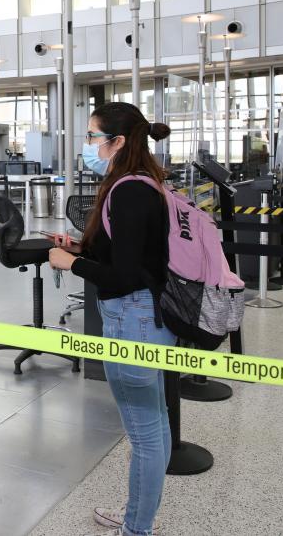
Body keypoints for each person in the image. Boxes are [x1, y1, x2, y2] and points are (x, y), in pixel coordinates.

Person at [47, 102, 174, 536]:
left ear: (118, 142)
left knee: (145, 434)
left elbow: (122, 276)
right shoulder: (144, 183)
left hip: (132, 319)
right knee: (154, 423)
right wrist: (83, 248)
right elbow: (132, 257)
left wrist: (70, 264)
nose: (88, 146)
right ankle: (138, 516)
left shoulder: (128, 190)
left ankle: (136, 529)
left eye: (92, 137)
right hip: (149, 315)